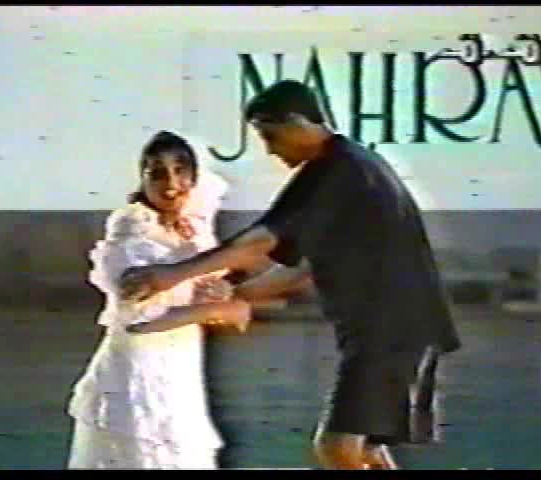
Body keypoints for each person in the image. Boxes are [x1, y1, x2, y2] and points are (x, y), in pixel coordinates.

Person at [122, 80, 462, 470]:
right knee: (363, 449)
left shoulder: (337, 171)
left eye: (270, 136)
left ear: (298, 121)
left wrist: (172, 275)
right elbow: (302, 266)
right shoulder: (346, 166)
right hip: (396, 327)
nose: (269, 150)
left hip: (391, 330)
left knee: (336, 448)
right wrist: (235, 290)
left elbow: (260, 241)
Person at [66, 131, 251, 469]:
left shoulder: (192, 227)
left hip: (182, 363)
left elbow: (206, 282)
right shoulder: (131, 227)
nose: (171, 184)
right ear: (143, 179)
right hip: (139, 366)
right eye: (158, 174)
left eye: (181, 171)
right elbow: (140, 318)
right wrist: (220, 309)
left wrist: (218, 293)